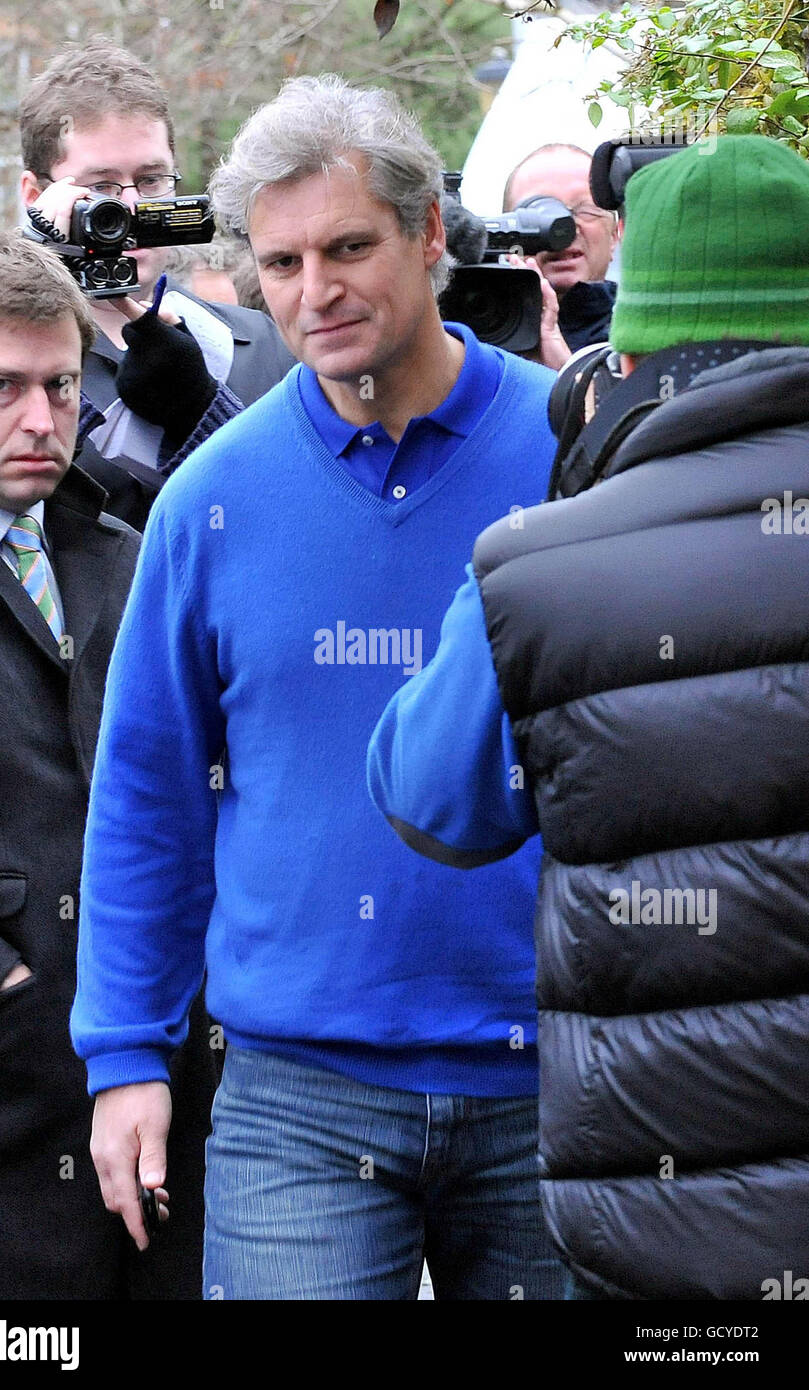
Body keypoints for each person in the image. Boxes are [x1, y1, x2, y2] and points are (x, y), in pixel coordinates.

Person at [72, 74, 566, 1301]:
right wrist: (126, 1054)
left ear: (430, 236)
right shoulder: (209, 499)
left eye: (348, 247)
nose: (315, 291)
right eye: (281, 262)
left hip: (555, 1074)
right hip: (297, 1097)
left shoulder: (571, 453)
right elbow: (146, 792)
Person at [368, 134, 809, 1300]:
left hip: (655, 1234)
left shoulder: (550, 566)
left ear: (639, 343)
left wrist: (559, 505)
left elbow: (428, 797)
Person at [0, 230, 212, 1299]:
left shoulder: (128, 551)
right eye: (2, 385)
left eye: (59, 382)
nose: (43, 418)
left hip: (161, 1094)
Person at [19, 36, 294, 530]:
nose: (130, 209)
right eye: (100, 187)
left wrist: (200, 407)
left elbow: (298, 514)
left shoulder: (260, 343)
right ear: (37, 196)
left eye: (150, 180)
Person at [503, 143, 621, 367]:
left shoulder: (641, 337)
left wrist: (565, 373)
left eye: (585, 210)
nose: (564, 229)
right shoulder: (477, 336)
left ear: (614, 234)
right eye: (539, 213)